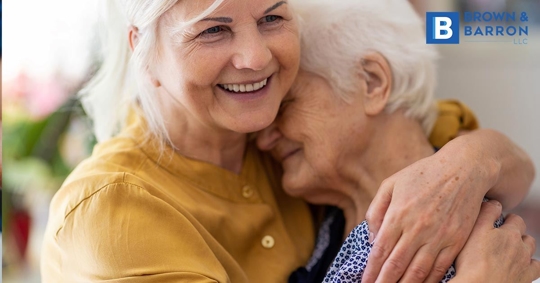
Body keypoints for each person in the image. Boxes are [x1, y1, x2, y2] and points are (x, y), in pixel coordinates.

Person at [41, 0, 535, 282]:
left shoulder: (268, 131)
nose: (256, 60)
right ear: (143, 50)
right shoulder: (112, 212)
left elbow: (471, 148)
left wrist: (473, 162)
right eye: (213, 30)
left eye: (272, 17)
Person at [256, 0, 539, 282]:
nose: (264, 139)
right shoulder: (329, 226)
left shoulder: (472, 235)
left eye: (285, 105)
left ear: (372, 81)